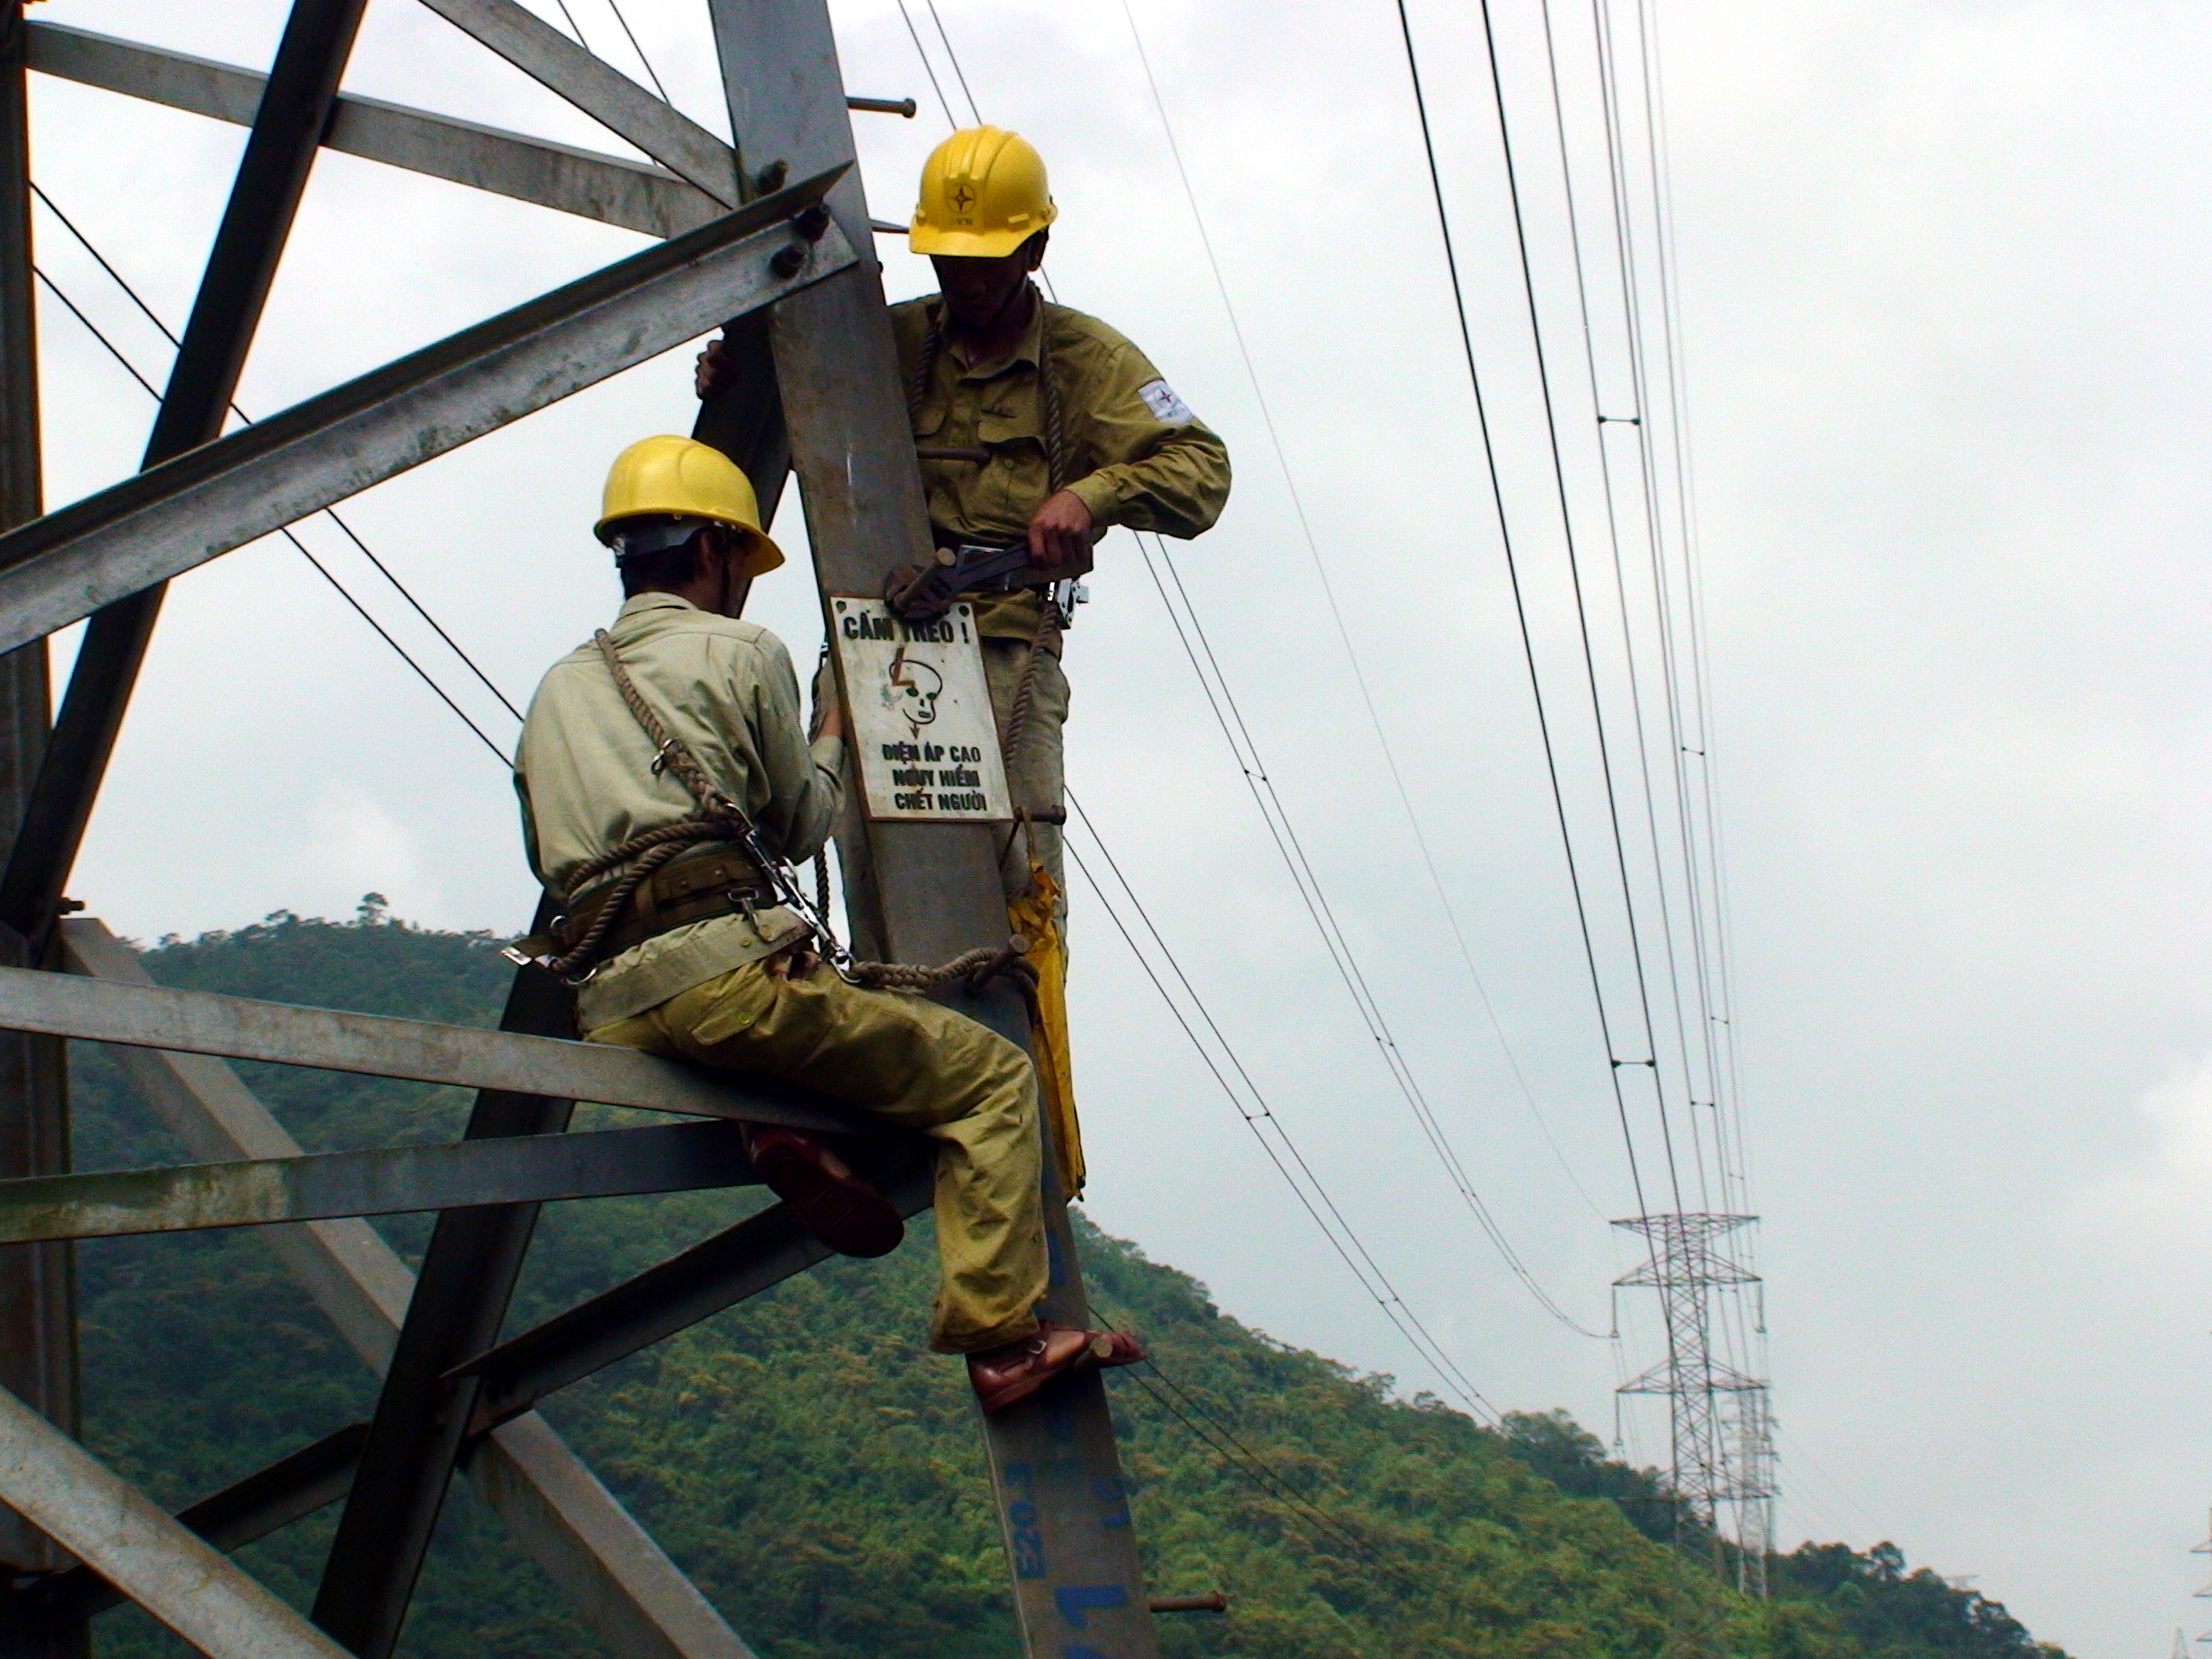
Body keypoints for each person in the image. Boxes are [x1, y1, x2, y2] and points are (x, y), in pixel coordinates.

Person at [512, 433, 1141, 1413]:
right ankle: (1000, 1337)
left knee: (803, 1039)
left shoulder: (559, 684)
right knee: (984, 1084)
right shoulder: (740, 650)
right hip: (725, 981)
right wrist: (835, 729)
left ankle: (777, 1131)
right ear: (718, 552)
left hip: (614, 1000)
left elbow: (545, 854)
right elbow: (803, 821)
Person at [697, 124, 1233, 908]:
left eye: (986, 262)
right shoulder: (891, 339)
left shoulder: (1087, 361)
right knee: (868, 867)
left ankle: (1018, 1028)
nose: (967, 280)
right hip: (874, 641)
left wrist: (1091, 494)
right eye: (950, 260)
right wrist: (735, 377)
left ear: (1034, 251)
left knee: (1015, 887)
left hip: (1003, 652)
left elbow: (1201, 472)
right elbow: (788, 389)